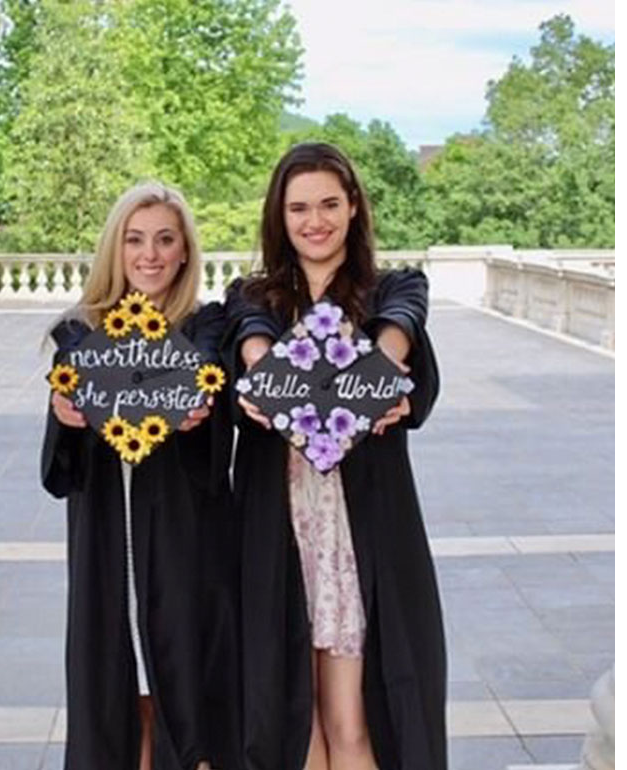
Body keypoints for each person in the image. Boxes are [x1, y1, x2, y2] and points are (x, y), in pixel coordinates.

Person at [224, 142, 444, 770]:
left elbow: (403, 320)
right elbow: (250, 336)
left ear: (352, 207)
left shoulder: (390, 289)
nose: (313, 221)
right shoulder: (253, 294)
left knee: (350, 720)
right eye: (298, 208)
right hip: (278, 529)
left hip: (358, 535)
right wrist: (261, 372)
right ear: (279, 215)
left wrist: (387, 361)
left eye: (327, 203)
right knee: (297, 728)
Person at [42, 182, 235, 770]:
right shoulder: (80, 335)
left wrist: (196, 415)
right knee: (114, 685)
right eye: (134, 240)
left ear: (184, 252)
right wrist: (65, 416)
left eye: (164, 240)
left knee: (183, 678)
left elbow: (212, 432)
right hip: (106, 542)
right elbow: (60, 470)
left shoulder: (207, 328)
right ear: (115, 248)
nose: (149, 255)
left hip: (185, 545)